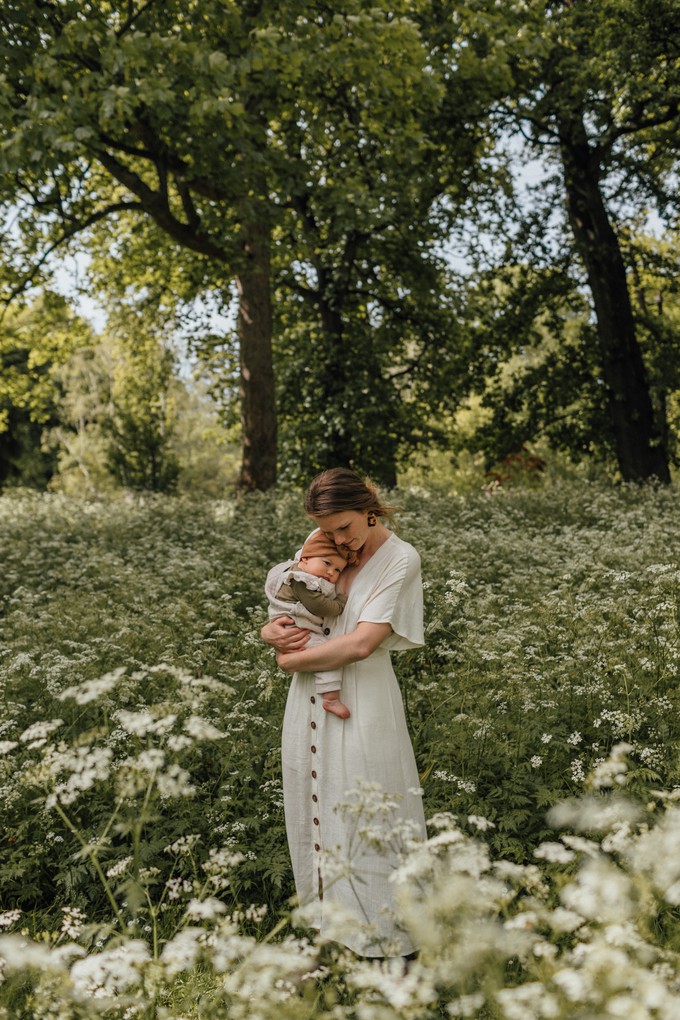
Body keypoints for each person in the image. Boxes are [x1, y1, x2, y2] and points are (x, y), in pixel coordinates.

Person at [261, 468, 427, 958]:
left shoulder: (401, 558)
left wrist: (289, 660)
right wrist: (270, 634)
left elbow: (360, 643)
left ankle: (393, 946)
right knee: (316, 811)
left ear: (369, 508)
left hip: (363, 702)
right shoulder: (323, 541)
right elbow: (288, 603)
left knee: (372, 813)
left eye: (345, 528)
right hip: (308, 700)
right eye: (327, 530)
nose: (337, 540)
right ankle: (333, 934)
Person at [264, 530, 352, 719]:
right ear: (304, 559)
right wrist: (340, 604)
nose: (331, 572)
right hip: (296, 629)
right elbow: (318, 606)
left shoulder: (304, 572)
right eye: (327, 564)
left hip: (297, 627)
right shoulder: (300, 579)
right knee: (327, 656)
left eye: (338, 570)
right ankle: (330, 698)